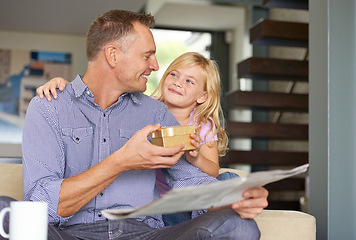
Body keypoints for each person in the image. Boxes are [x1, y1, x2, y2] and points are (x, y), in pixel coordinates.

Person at [0, 9, 268, 240]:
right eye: (147, 55)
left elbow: (190, 179)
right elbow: (40, 204)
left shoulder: (156, 112)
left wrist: (234, 197)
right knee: (3, 210)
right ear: (113, 55)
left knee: (237, 226)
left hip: (144, 234)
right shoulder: (49, 108)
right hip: (70, 234)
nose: (155, 65)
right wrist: (122, 161)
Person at [37, 52, 239, 226]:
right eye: (174, 74)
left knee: (230, 180)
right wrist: (65, 89)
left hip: (191, 195)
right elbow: (99, 96)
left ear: (202, 96)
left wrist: (196, 159)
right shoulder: (146, 110)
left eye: (189, 81)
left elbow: (212, 170)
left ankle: (214, 220)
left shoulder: (202, 125)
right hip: (161, 201)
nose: (178, 82)